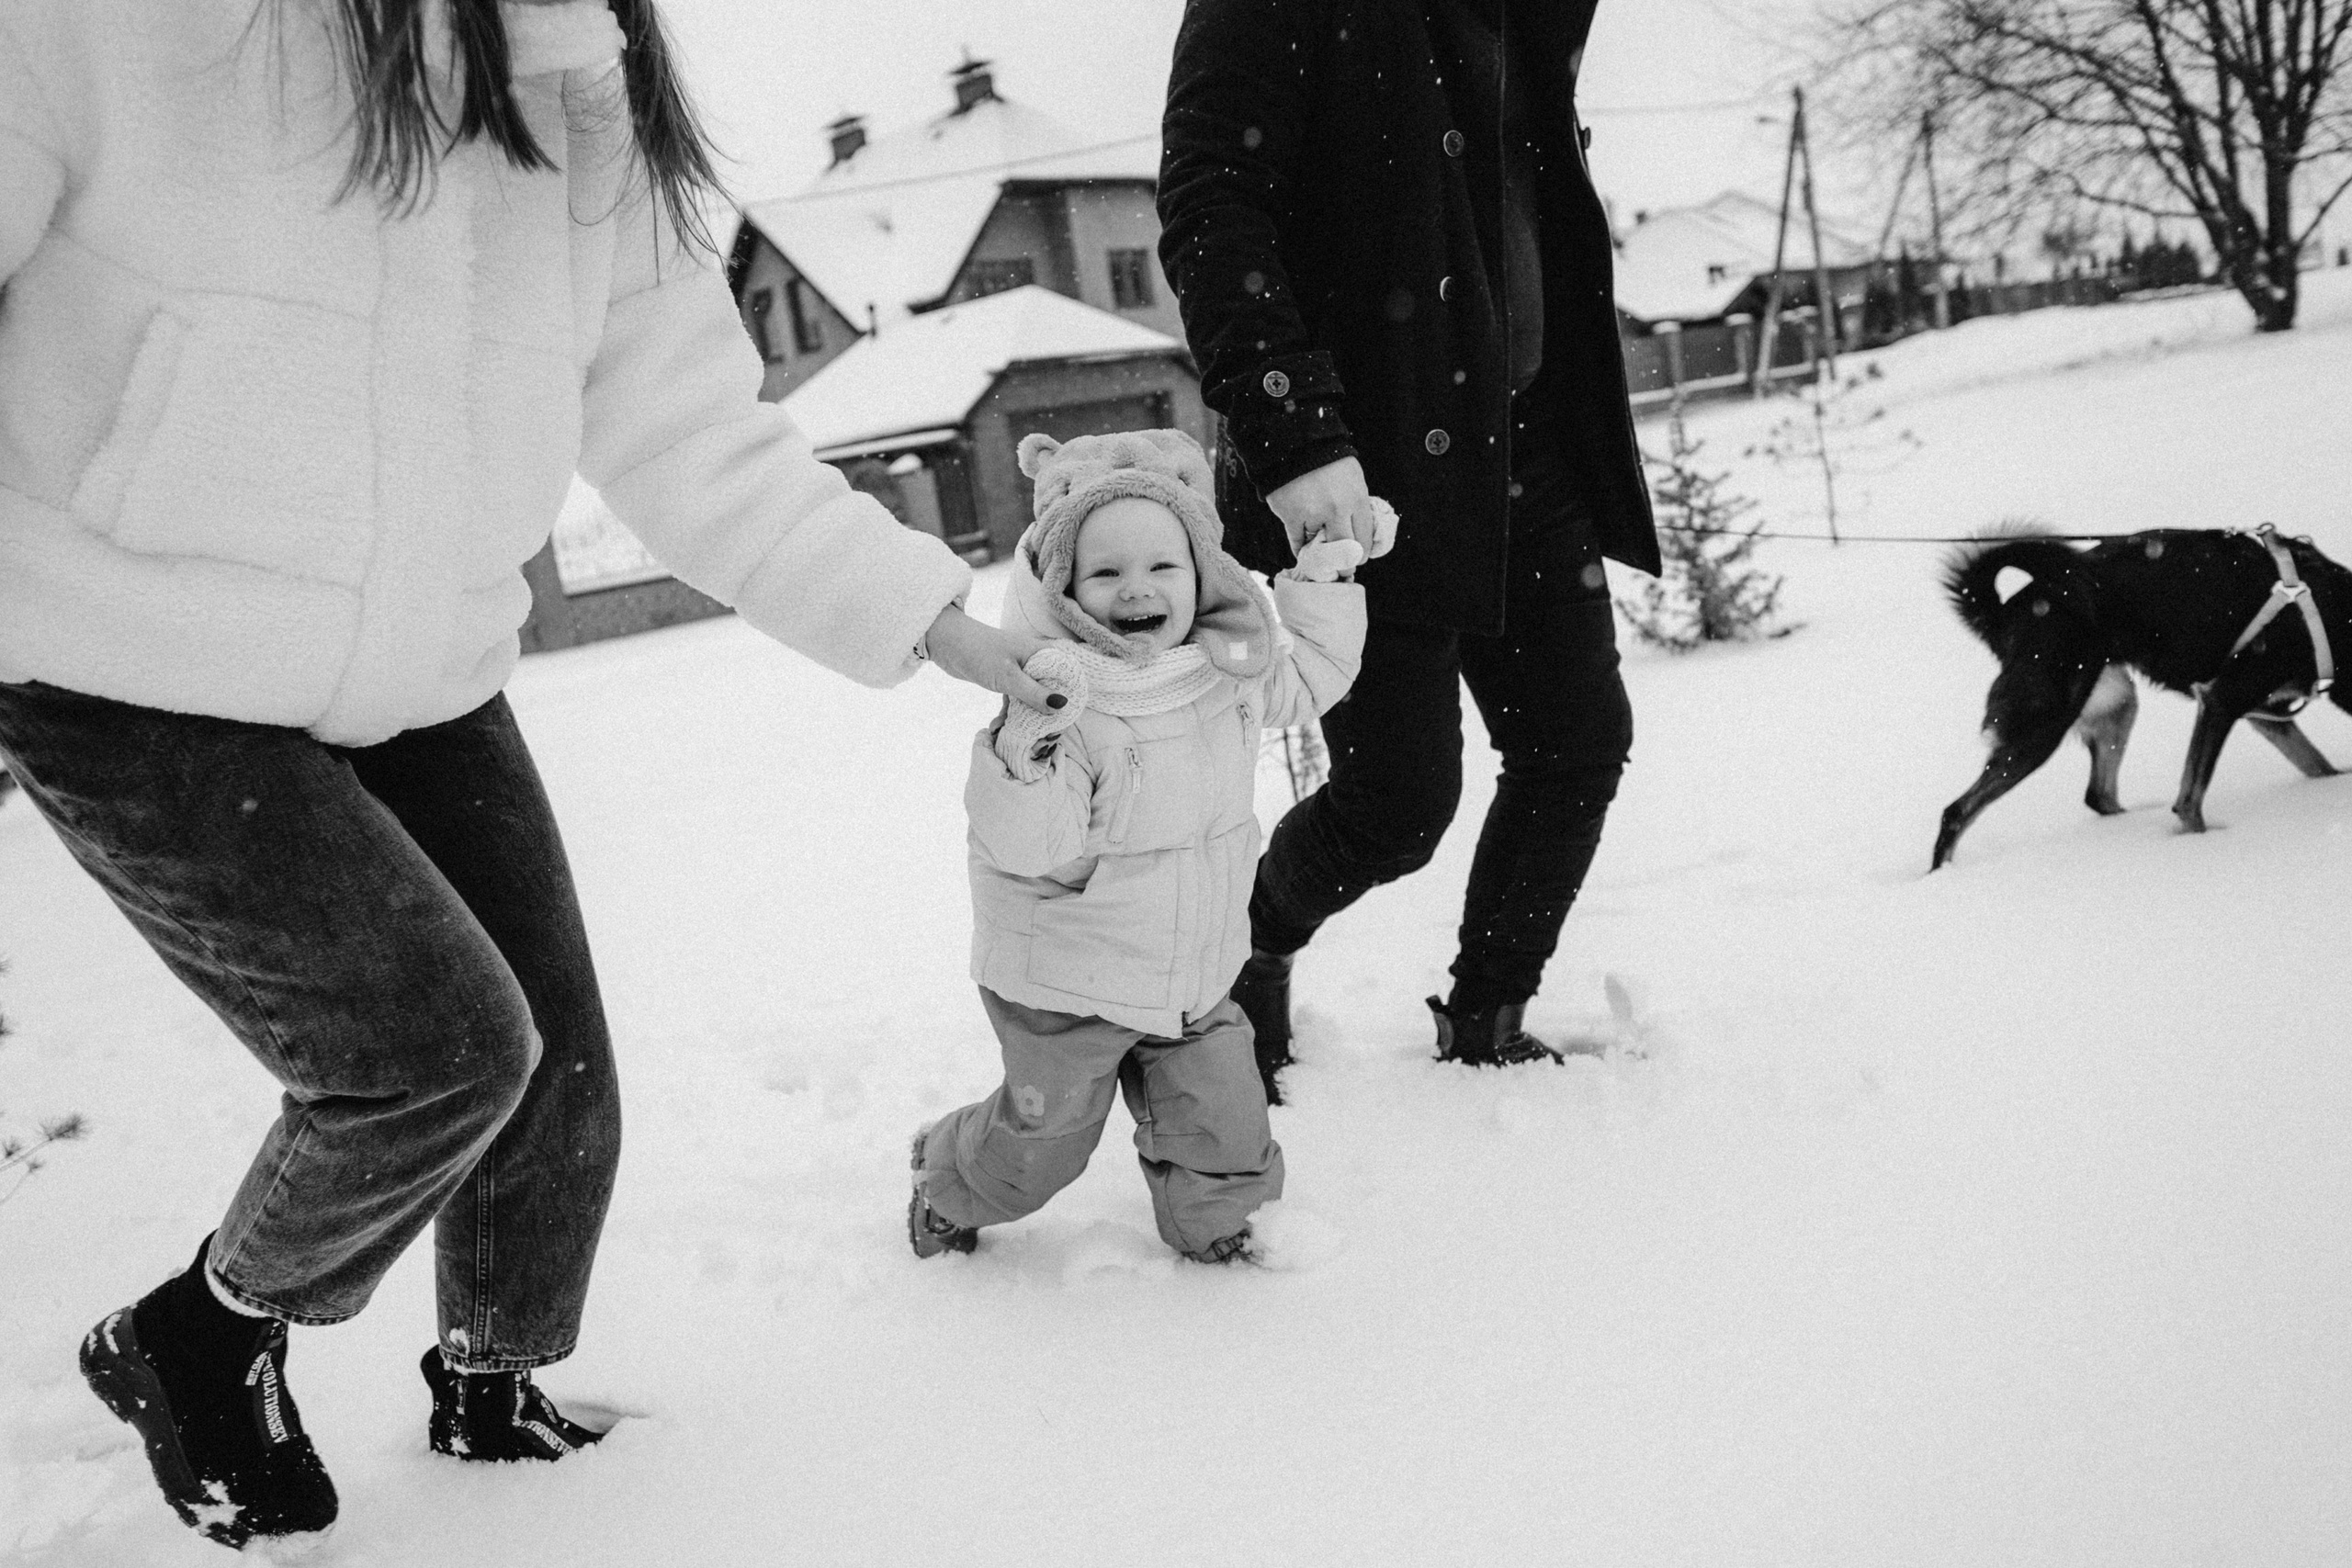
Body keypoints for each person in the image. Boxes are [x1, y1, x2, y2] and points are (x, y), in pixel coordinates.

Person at [0, 0, 1049, 1551]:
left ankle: (493, 1382)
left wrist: (928, 616)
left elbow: (689, 425)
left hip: (421, 661)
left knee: (556, 1069)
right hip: (125, 657)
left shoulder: (572, 73)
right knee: (431, 1053)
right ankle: (198, 1338)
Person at [1158, 0, 1662, 1102]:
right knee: (1394, 805)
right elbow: (1212, 206)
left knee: (1576, 743)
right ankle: (1245, 946)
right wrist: (1290, 434)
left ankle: (1490, 1013)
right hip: (1367, 473)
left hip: (1528, 443)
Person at [909, 429, 1366, 1263]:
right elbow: (1025, 844)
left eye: (1163, 567)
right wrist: (1024, 752)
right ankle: (947, 1180)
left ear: (1202, 575)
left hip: (1192, 973)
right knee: (1037, 1153)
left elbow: (1311, 679)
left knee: (1225, 1121)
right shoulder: (1064, 697)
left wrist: (1321, 585)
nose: (1137, 590)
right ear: (1065, 587)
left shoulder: (1224, 665)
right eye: (1106, 572)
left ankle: (1220, 1222)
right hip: (1069, 985)